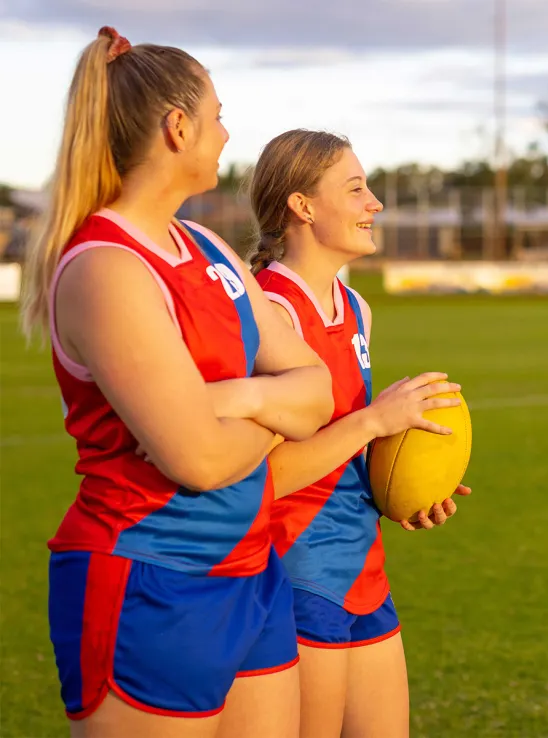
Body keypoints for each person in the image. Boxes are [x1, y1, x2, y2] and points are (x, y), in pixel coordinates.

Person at [18, 28, 334, 738]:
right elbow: (198, 460)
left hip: (252, 570)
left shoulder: (209, 247)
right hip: (148, 580)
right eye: (218, 114)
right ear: (178, 127)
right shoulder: (107, 268)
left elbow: (319, 388)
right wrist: (273, 406)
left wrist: (242, 400)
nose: (227, 132)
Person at [247, 129, 472, 738]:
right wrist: (376, 420)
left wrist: (405, 483)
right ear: (303, 205)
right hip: (295, 574)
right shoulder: (270, 313)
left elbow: (346, 452)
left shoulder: (357, 308)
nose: (375, 203)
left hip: (364, 570)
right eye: (355, 188)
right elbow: (256, 480)